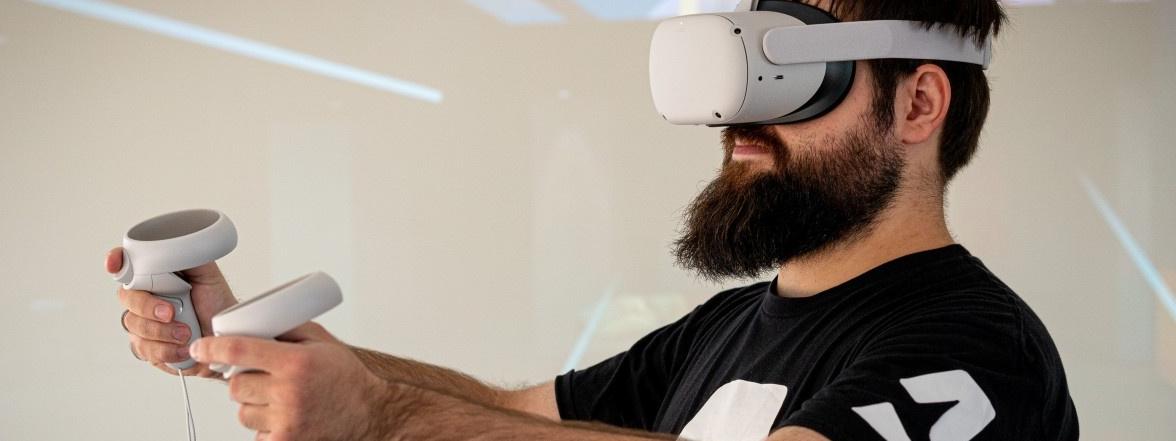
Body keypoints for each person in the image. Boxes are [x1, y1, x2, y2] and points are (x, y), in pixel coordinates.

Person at [110, 0, 1078, 440]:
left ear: (918, 105)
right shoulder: (731, 325)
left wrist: (381, 420)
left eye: (793, 69)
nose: (740, 116)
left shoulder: (980, 350)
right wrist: (257, 343)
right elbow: (514, 413)